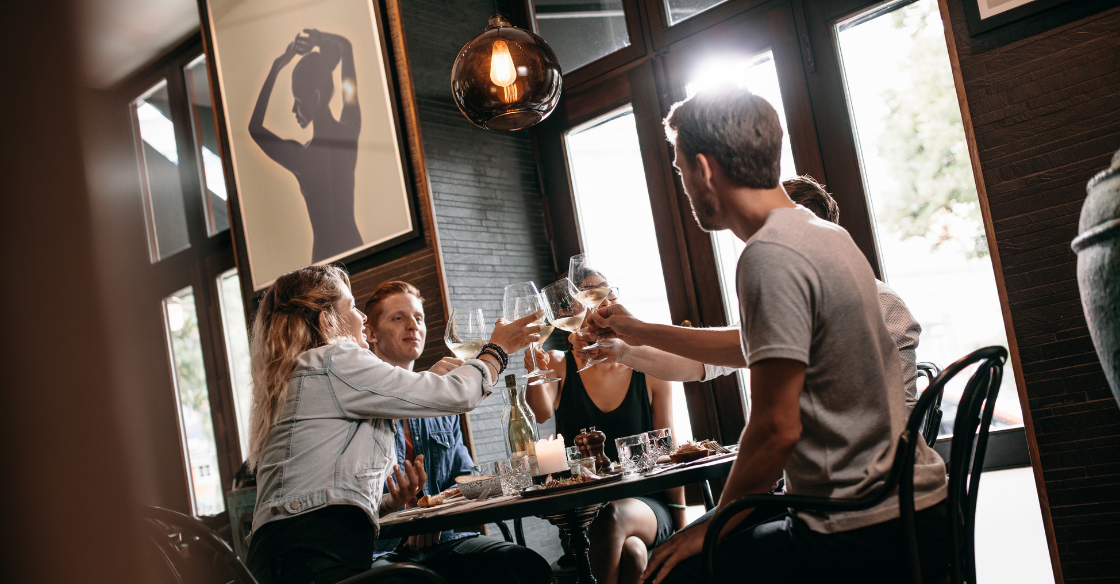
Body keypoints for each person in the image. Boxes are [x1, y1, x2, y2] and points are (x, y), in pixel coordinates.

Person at [590, 87, 949, 583]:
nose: (684, 186)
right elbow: (750, 347)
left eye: (679, 171)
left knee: (670, 571)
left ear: (704, 168)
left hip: (857, 532)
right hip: (914, 509)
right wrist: (634, 330)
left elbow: (775, 429)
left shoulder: (768, 255)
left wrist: (713, 524)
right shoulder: (824, 235)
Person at [243, 265, 541, 584]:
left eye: (418, 317)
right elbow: (459, 392)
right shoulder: (333, 360)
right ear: (328, 321)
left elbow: (330, 496)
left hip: (280, 557)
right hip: (316, 557)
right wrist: (497, 350)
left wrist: (387, 503)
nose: (361, 318)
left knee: (515, 565)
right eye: (353, 307)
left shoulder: (302, 376)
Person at [585, 175, 924, 414]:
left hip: (864, 493)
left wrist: (639, 330)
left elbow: (741, 349)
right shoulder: (784, 302)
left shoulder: (878, 303)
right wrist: (623, 351)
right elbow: (701, 362)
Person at [362, 281, 551, 584]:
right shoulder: (360, 400)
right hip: (380, 550)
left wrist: (515, 478)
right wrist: (408, 524)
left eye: (419, 318)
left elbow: (463, 481)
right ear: (370, 333)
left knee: (524, 565)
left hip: (445, 540)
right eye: (398, 318)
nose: (412, 325)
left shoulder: (443, 400)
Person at [524, 273, 685, 584]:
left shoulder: (649, 366)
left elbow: (667, 449)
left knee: (611, 517)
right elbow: (541, 412)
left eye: (608, 297)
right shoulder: (559, 363)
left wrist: (680, 526)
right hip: (582, 515)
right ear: (571, 313)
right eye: (591, 300)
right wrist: (534, 369)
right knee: (633, 552)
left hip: (647, 505)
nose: (604, 307)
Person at [248, 29, 363, 262]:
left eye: (298, 101)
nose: (293, 109)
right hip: (359, 249)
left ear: (316, 98)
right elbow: (347, 58)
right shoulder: (349, 131)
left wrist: (276, 67)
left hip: (326, 261)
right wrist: (322, 38)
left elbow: (255, 128)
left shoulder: (302, 157)